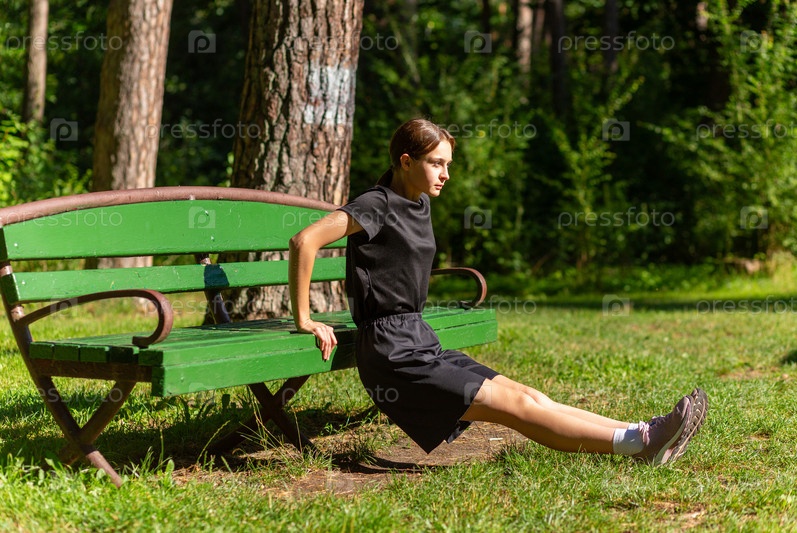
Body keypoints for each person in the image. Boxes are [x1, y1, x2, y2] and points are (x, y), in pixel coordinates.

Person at [288, 118, 707, 464]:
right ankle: (641, 445)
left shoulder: (419, 202)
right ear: (405, 161)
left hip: (417, 338)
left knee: (528, 395)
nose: (446, 174)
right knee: (515, 408)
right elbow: (304, 241)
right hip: (392, 355)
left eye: (448, 164)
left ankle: (642, 434)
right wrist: (305, 319)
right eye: (437, 164)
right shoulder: (376, 204)